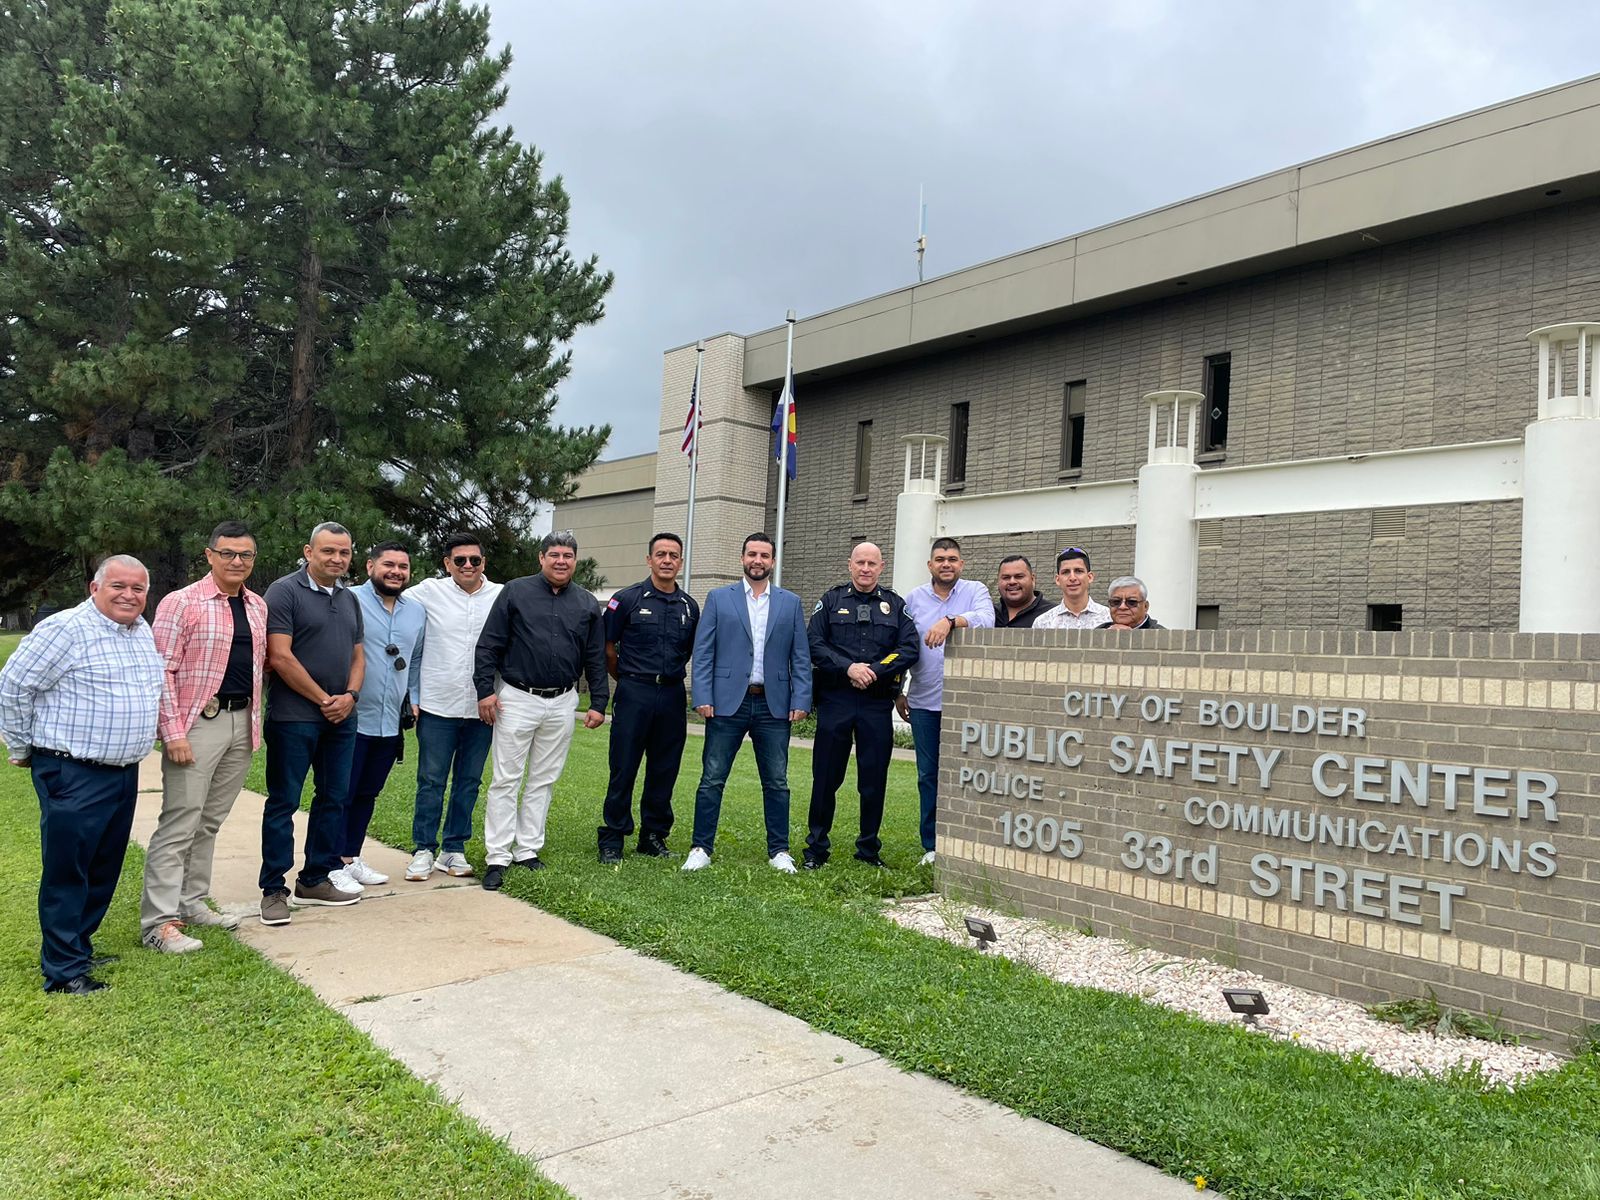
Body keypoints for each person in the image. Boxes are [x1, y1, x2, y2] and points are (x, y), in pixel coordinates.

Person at [0, 555, 164, 994]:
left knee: (103, 865)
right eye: (119, 586)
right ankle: (63, 971)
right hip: (72, 770)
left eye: (138, 588)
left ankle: (78, 947)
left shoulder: (139, 631)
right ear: (95, 588)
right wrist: (21, 747)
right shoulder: (65, 630)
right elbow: (13, 686)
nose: (129, 595)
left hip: (122, 772)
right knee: (68, 869)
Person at [140, 522, 268, 954]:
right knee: (179, 823)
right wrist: (173, 732)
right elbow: (161, 671)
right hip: (197, 723)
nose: (237, 562)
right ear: (209, 554)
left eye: (245, 555)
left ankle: (191, 902)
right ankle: (159, 923)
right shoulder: (181, 603)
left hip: (241, 723)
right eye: (228, 553)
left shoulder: (256, 606)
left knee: (210, 821)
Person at [474, 530, 608, 888]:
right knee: (506, 779)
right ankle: (498, 856)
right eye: (555, 555)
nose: (561, 561)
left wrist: (599, 701)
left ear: (575, 561)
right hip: (517, 697)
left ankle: (528, 850)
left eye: (568, 555)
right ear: (541, 558)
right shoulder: (515, 592)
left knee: (543, 780)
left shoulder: (586, 603)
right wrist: (485, 691)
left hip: (562, 701)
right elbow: (489, 645)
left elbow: (595, 656)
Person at [683, 533, 811, 872]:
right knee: (712, 778)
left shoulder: (790, 602)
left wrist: (801, 698)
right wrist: (703, 696)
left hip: (774, 706)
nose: (758, 560)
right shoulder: (718, 599)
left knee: (777, 782)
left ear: (773, 561)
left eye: (764, 555)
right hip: (726, 704)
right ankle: (700, 848)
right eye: (752, 554)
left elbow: (800, 656)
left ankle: (779, 851)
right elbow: (704, 652)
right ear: (742, 558)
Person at [259, 522, 367, 926]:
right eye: (328, 552)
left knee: (334, 798)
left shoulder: (349, 598)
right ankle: (273, 889)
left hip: (341, 718)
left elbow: (359, 655)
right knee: (284, 801)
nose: (337, 559)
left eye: (344, 552)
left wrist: (350, 697)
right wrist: (324, 699)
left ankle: (315, 879)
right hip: (294, 718)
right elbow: (280, 656)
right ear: (308, 552)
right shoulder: (284, 591)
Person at [804, 541, 919, 870]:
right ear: (850, 565)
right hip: (836, 700)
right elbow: (814, 642)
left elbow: (909, 648)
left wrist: (876, 671)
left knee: (873, 780)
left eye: (872, 563)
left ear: (881, 567)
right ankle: (816, 849)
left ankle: (868, 850)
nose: (866, 568)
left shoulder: (895, 605)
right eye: (860, 563)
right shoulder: (831, 600)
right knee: (826, 777)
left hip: (875, 704)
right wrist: (848, 668)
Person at [405, 532, 502, 881]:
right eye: (459, 560)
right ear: (447, 563)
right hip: (437, 704)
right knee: (431, 780)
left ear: (483, 563)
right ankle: (423, 849)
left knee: (469, 781)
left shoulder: (501, 595)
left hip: (483, 707)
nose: (467, 566)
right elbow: (385, 600)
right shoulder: (427, 592)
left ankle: (453, 849)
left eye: (474, 560)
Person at [597, 532, 700, 863]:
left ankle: (652, 836)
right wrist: (627, 680)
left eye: (673, 555)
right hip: (634, 691)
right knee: (623, 766)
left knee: (664, 768)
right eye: (661, 554)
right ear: (649, 560)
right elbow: (607, 649)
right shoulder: (626, 599)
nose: (667, 560)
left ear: (681, 562)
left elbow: (690, 651)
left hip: (671, 694)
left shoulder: (689, 606)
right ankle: (613, 837)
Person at [898, 538, 994, 866]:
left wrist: (950, 621)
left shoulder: (975, 591)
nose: (946, 564)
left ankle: (968, 839)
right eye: (940, 559)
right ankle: (932, 845)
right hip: (924, 701)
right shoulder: (914, 599)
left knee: (967, 774)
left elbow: (987, 619)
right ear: (930, 565)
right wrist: (899, 688)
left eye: (952, 559)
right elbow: (904, 644)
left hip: (966, 703)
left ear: (961, 564)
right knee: (928, 774)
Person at [337, 542, 426, 888]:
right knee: (341, 791)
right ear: (370, 565)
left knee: (367, 793)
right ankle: (330, 861)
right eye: (388, 564)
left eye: (403, 567)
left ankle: (350, 857)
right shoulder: (348, 600)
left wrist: (413, 698)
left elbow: (415, 659)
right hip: (351, 714)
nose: (396, 572)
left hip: (390, 720)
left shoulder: (416, 612)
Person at [1033, 546, 1110, 630]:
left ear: (1090, 577)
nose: (1072, 578)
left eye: (1078, 571)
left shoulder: (1108, 618)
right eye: (1066, 572)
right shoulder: (1043, 623)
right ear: (1058, 580)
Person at [993, 554, 1052, 629]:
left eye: (1019, 576)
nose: (1012, 582)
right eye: (1006, 577)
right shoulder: (990, 614)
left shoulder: (1052, 615)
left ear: (1032, 579)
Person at [1097, 576, 1165, 630]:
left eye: (1131, 602)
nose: (1122, 607)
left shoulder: (1162, 635)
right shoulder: (1099, 633)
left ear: (1145, 606)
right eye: (1116, 602)